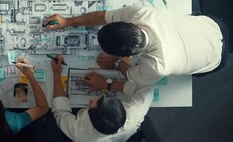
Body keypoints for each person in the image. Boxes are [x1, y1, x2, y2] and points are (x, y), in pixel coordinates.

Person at [44, 5, 229, 85]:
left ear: (127, 55)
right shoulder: (141, 14)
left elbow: (131, 74)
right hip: (212, 24)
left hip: (217, 58)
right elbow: (103, 16)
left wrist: (116, 63)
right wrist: (68, 21)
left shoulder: (157, 67)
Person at [51, 55, 153, 142]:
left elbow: (60, 111)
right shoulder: (133, 115)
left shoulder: (79, 134)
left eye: (90, 105)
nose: (91, 99)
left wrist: (56, 75)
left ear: (91, 121)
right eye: (102, 98)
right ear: (120, 106)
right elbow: (146, 87)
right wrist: (108, 84)